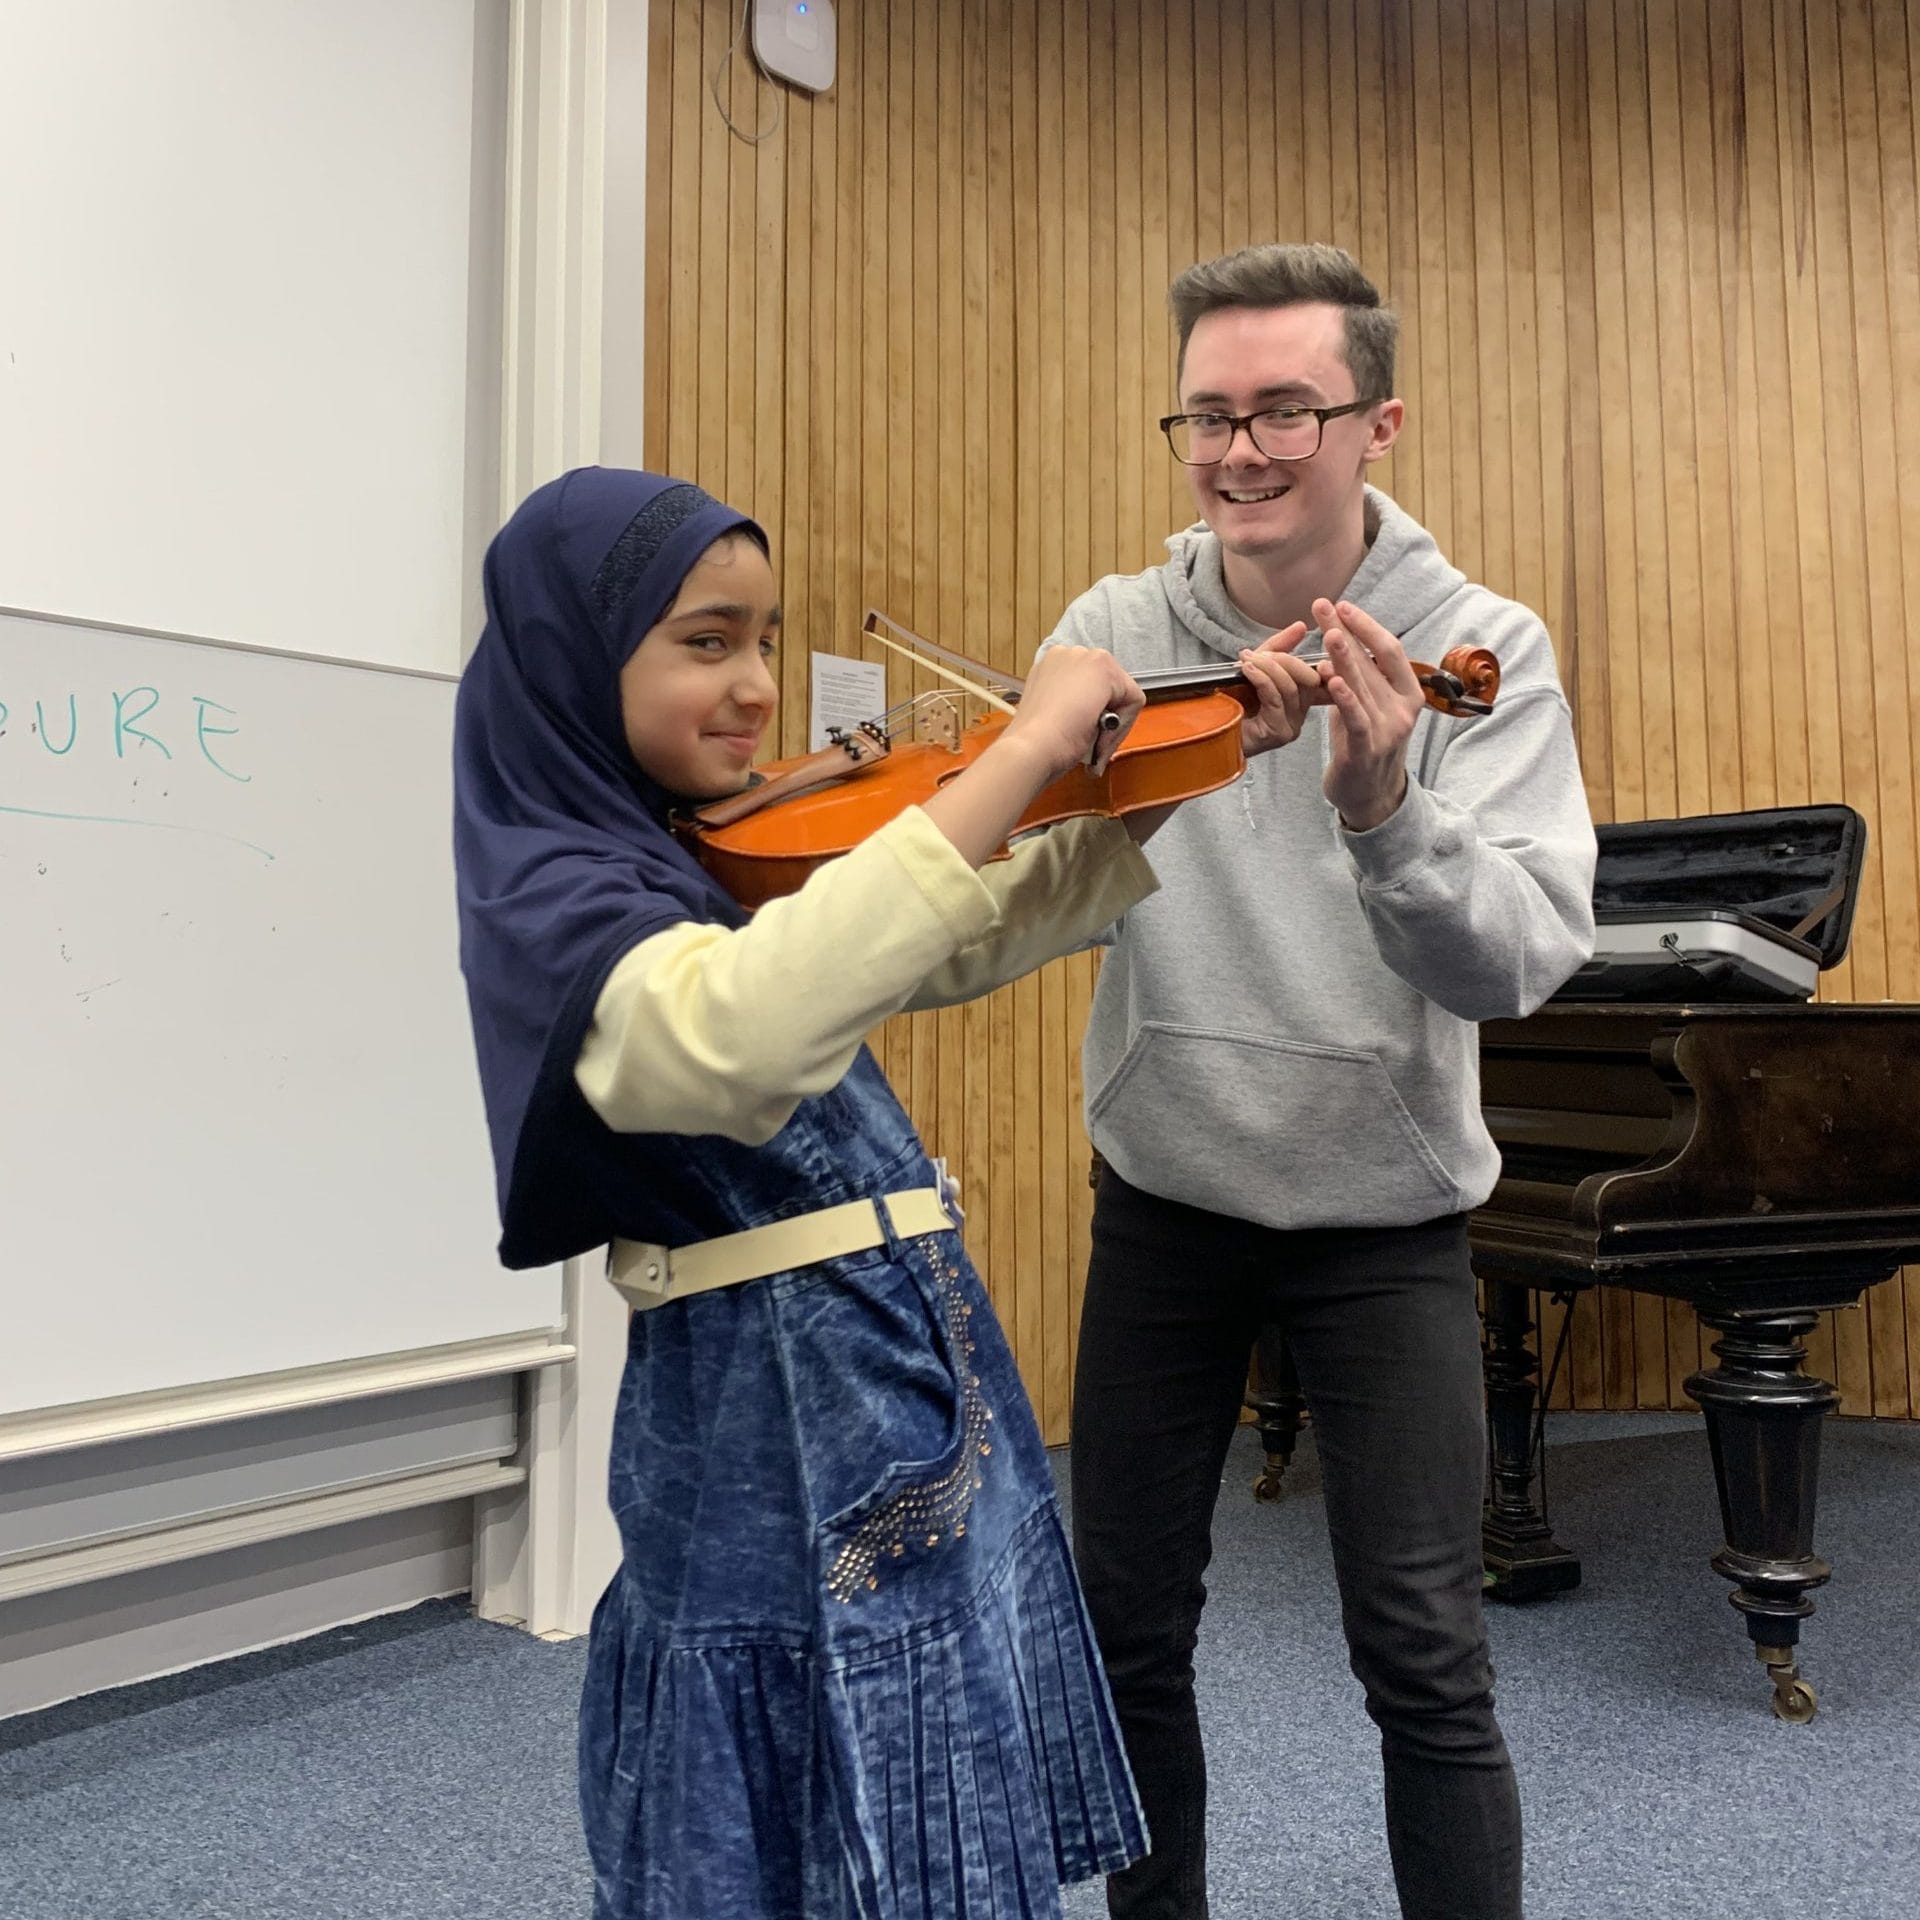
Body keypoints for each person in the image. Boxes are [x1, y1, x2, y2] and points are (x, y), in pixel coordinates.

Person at [451, 466, 1320, 1919]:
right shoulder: (565, 899)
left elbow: (946, 932)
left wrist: (1155, 785)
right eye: (705, 640)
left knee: (926, 1759)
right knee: (799, 1770)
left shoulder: (700, 857)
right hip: (771, 1426)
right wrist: (1026, 743)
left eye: (766, 638)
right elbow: (744, 1031)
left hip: (898, 1385)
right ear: (573, 661)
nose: (755, 686)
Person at [1041, 245, 1599, 1919]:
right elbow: (1026, 888)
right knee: (1124, 1628)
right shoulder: (1117, 633)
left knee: (1425, 1653)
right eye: (1207, 416)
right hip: (1166, 1193)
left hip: (1383, 1215)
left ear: (1379, 425)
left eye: (1286, 409)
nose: (1240, 453)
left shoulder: (1481, 648)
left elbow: (1516, 960)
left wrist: (1384, 813)